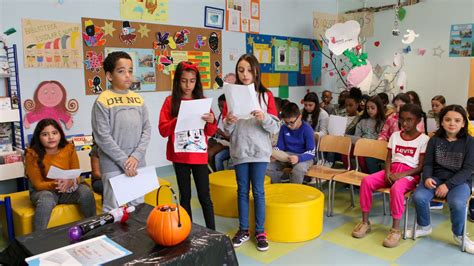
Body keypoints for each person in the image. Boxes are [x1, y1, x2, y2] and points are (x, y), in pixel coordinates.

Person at [352, 104, 429, 248]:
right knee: (367, 181)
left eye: (409, 120)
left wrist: (402, 175)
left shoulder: (424, 139)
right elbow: (388, 158)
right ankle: (365, 222)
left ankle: (395, 230)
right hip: (392, 170)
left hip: (410, 175)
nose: (405, 123)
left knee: (397, 189)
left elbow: (420, 167)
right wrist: (387, 172)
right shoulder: (395, 136)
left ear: (418, 120)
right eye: (402, 119)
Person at [224, 54, 279, 251]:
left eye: (249, 69)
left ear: (256, 71)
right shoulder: (231, 95)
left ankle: (260, 231)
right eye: (241, 70)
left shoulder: (266, 96)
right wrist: (229, 121)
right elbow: (227, 129)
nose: (245, 74)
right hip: (240, 150)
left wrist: (263, 117)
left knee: (258, 191)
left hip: (260, 151)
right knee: (241, 191)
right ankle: (244, 229)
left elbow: (274, 128)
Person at [159, 61, 217, 230]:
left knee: (204, 196)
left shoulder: (203, 101)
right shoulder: (170, 101)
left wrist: (212, 122)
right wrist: (178, 121)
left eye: (192, 81)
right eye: (184, 81)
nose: (188, 85)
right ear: (177, 81)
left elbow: (210, 131)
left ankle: (212, 233)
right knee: (185, 196)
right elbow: (163, 130)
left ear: (196, 82)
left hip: (199, 155)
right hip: (180, 156)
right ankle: (187, 232)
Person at [91, 51, 151, 212]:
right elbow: (103, 137)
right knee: (113, 209)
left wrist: (136, 157)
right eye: (121, 71)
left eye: (130, 71)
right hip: (113, 165)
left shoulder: (138, 99)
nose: (127, 75)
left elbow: (147, 129)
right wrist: (125, 162)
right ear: (110, 76)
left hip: (137, 164)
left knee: (137, 207)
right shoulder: (103, 100)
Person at [410, 105, 474, 254]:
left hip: (459, 182)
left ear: (463, 123)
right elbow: (428, 163)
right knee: (418, 197)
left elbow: (468, 169)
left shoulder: (470, 142)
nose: (452, 123)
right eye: (448, 120)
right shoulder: (434, 140)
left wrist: (448, 185)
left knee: (457, 203)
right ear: (442, 122)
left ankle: (459, 235)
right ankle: (425, 227)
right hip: (436, 178)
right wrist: (426, 178)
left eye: (457, 120)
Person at [26, 119, 96, 231]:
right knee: (46, 200)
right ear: (38, 137)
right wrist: (59, 184)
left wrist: (71, 182)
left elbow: (77, 174)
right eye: (45, 134)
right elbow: (38, 184)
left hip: (67, 189)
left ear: (60, 134)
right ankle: (38, 238)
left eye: (54, 133)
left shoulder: (69, 148)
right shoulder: (31, 154)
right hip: (43, 191)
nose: (51, 137)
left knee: (85, 191)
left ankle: (94, 227)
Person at [267, 102, 315, 184]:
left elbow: (311, 152)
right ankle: (280, 187)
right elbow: (280, 147)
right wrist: (274, 154)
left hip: (303, 157)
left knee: (298, 169)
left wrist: (298, 158)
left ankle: (293, 191)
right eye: (286, 122)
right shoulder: (284, 127)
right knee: (267, 167)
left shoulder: (307, 129)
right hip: (287, 156)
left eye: (292, 122)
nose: (289, 125)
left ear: (299, 117)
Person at [349, 95, 386, 174]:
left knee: (367, 157)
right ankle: (352, 176)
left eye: (372, 108)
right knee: (347, 152)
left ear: (378, 108)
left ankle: (369, 177)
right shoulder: (362, 121)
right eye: (368, 108)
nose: (370, 110)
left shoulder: (383, 122)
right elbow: (357, 137)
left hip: (376, 149)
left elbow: (383, 138)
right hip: (362, 146)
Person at [208, 94, 230, 172]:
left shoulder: (231, 118)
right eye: (219, 106)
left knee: (211, 154)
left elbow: (233, 139)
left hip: (228, 144)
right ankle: (210, 174)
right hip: (218, 141)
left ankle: (215, 173)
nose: (220, 109)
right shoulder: (218, 118)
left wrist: (220, 132)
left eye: (222, 106)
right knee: (202, 151)